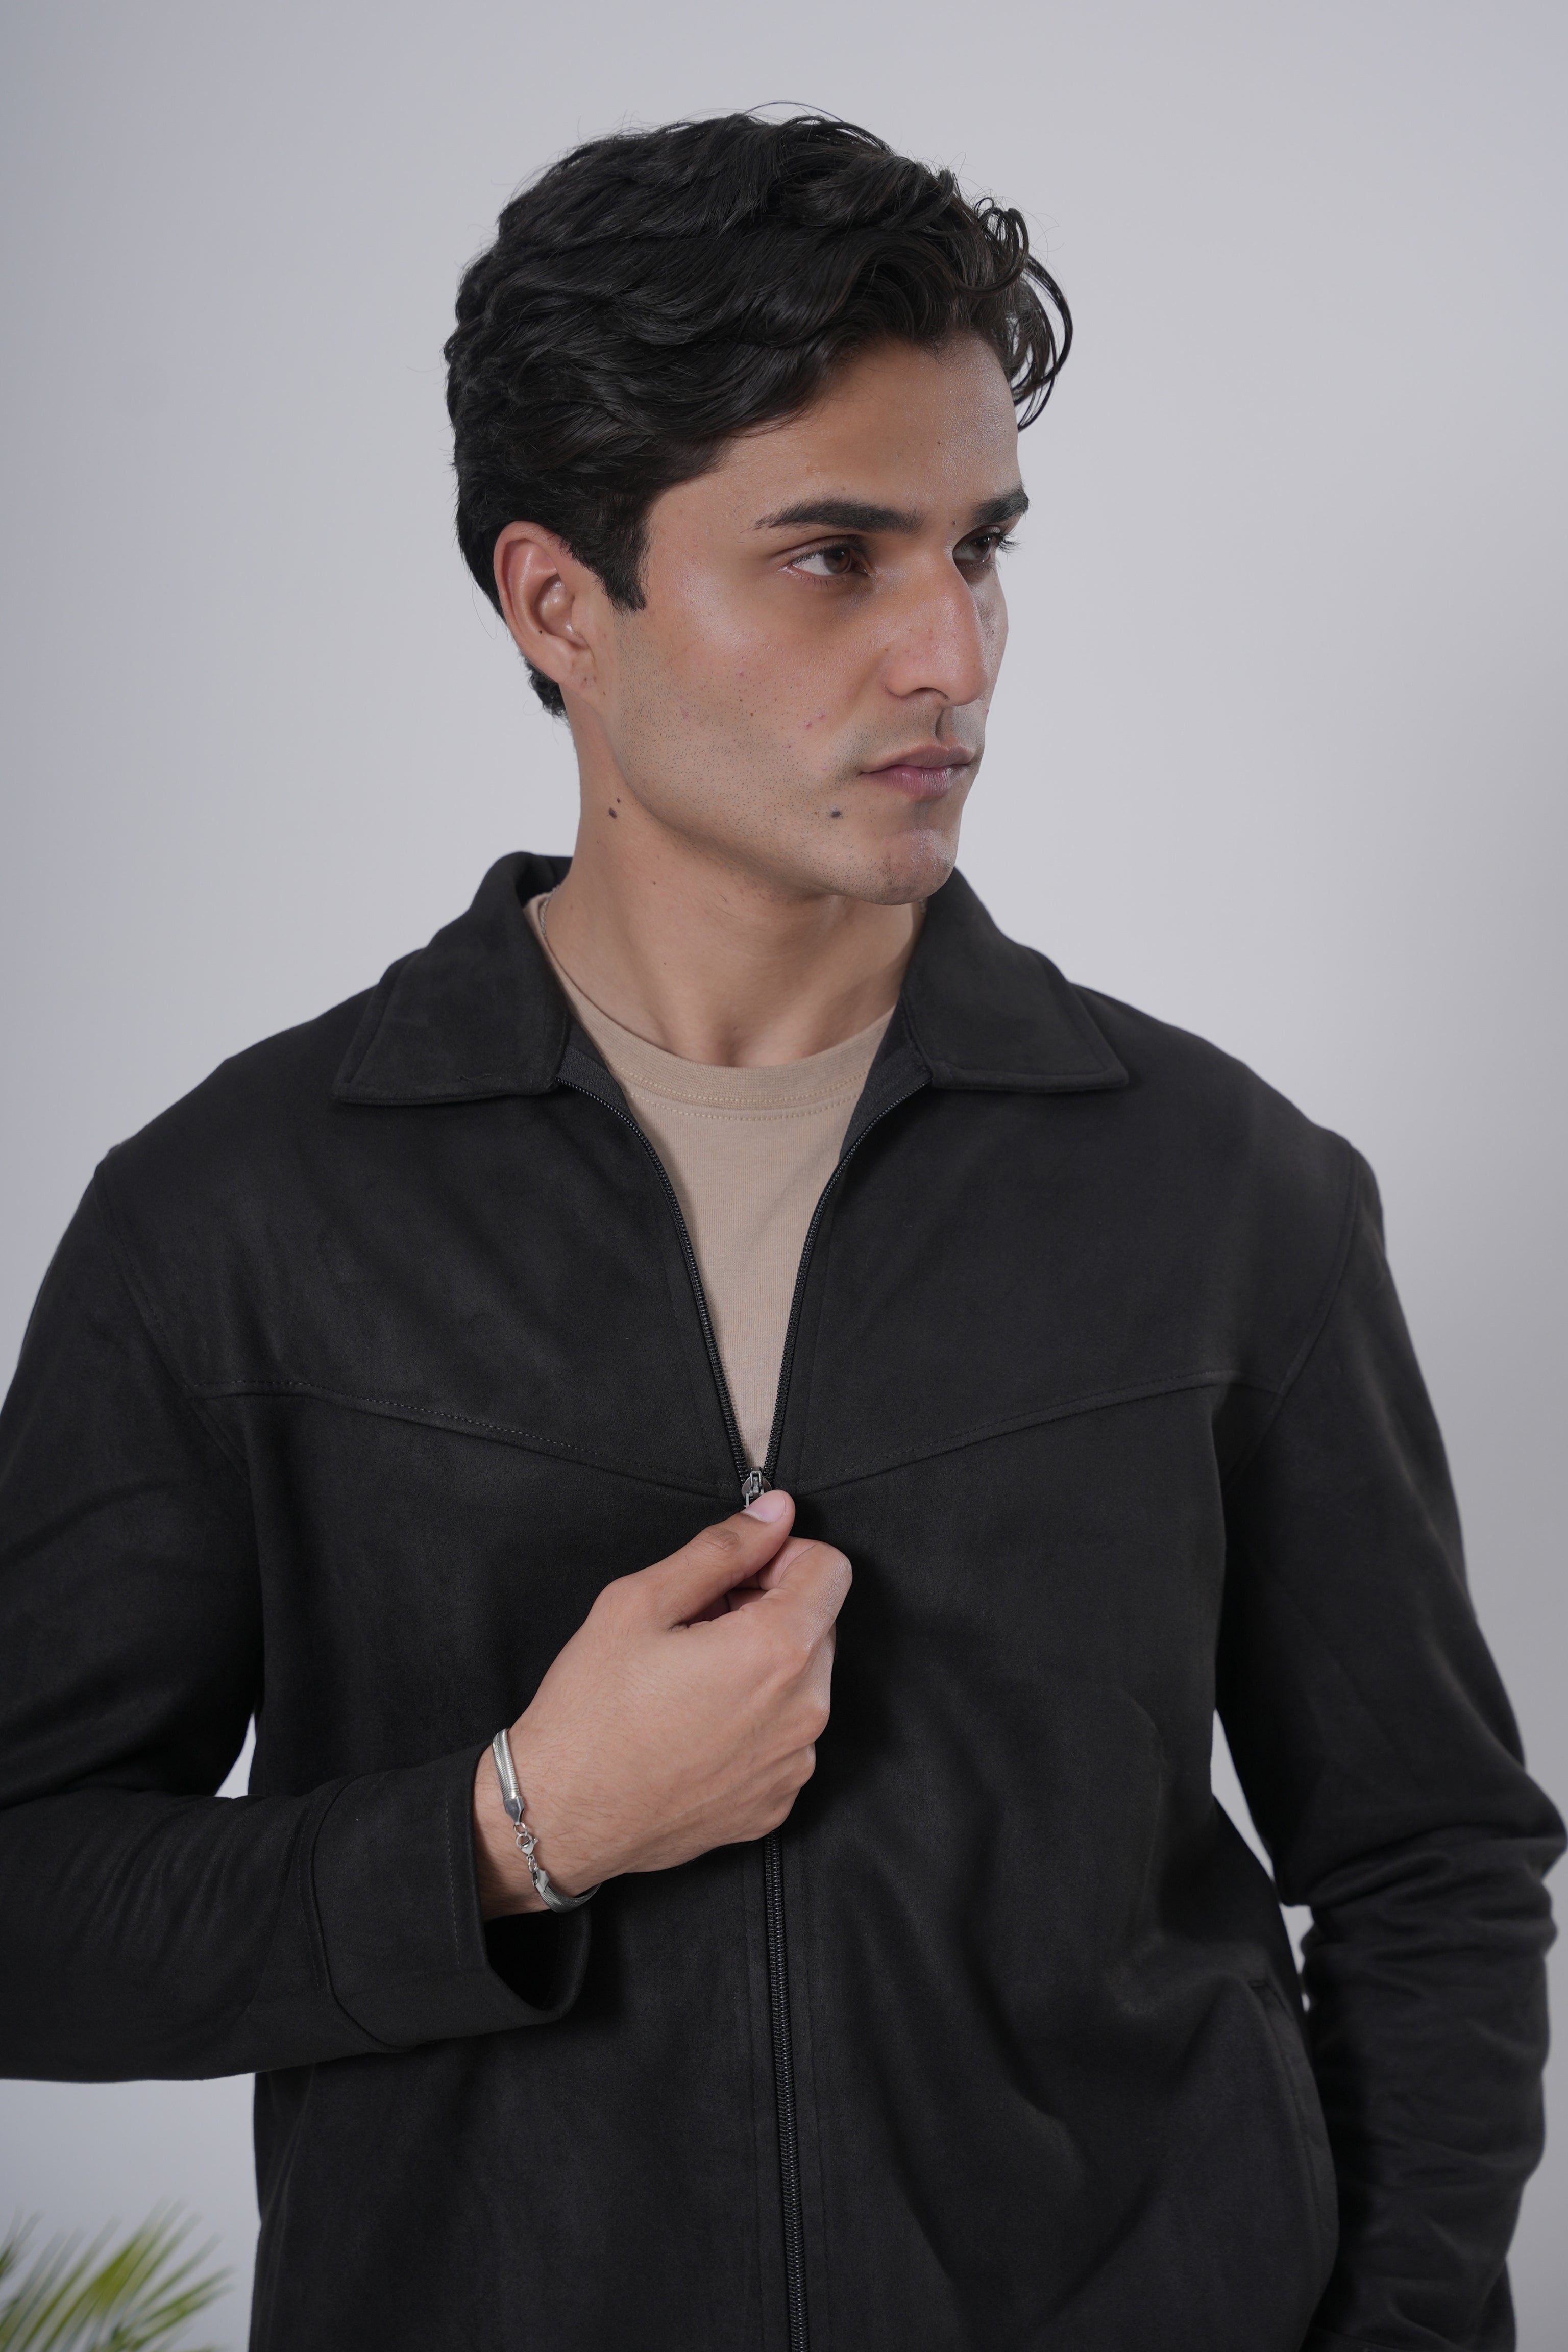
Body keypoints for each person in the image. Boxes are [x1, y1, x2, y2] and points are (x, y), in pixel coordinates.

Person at [0, 111, 1557, 2352]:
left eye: (981, 549)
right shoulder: (234, 1218)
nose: (953, 653)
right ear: (561, 602)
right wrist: (515, 1830)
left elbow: (1430, 1869)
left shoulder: (1231, 1192)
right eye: (835, 556)